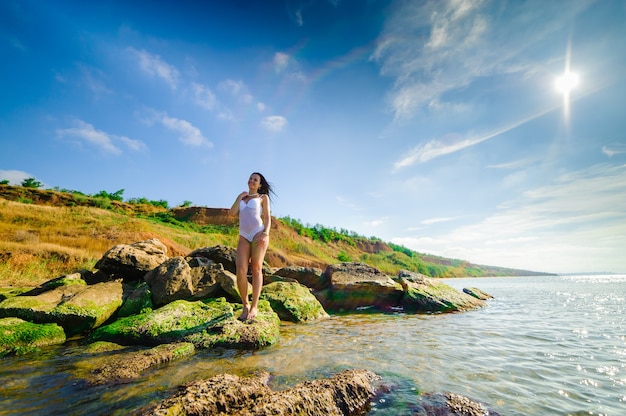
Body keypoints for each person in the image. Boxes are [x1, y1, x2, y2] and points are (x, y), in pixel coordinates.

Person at [229, 172, 273, 321]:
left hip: (258, 234)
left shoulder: (262, 198)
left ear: (260, 184)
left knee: (256, 268)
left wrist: (265, 233)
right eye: (250, 178)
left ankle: (254, 306)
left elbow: (267, 218)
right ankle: (245, 305)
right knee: (240, 270)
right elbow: (232, 213)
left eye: (255, 180)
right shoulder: (242, 197)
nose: (252, 181)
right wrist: (239, 197)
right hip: (243, 236)